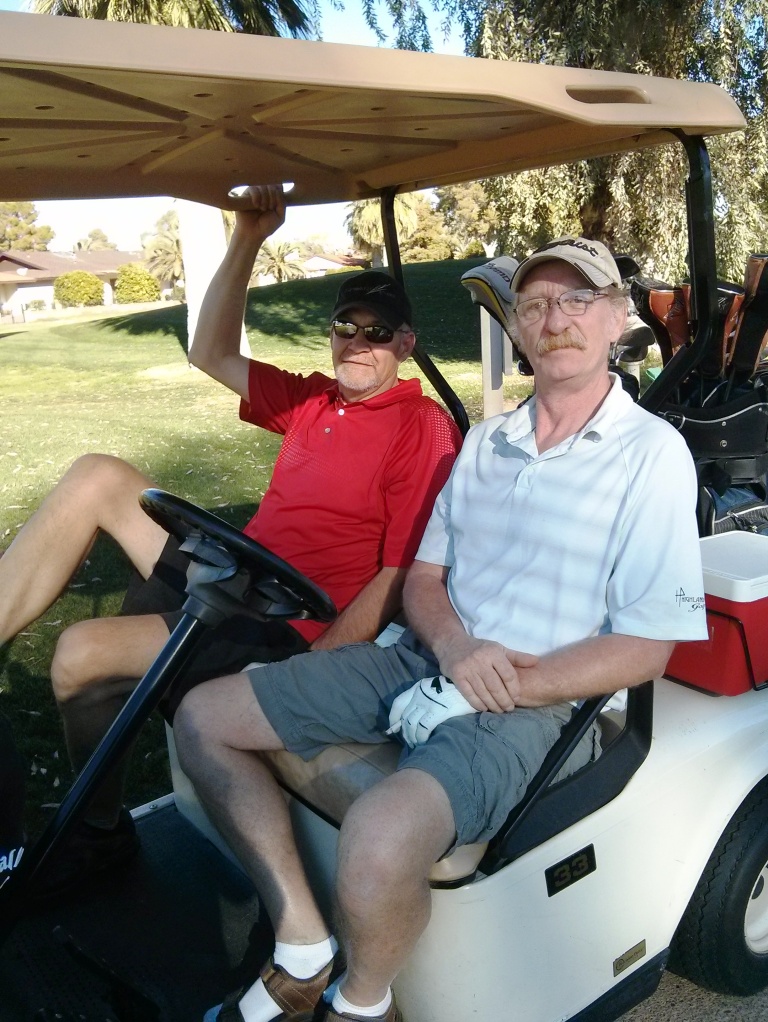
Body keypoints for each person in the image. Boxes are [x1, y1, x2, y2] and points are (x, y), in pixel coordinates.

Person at [174, 235, 709, 1022]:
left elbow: (646, 648)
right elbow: (424, 579)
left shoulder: (652, 456)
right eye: (535, 304)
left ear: (616, 317)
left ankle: (363, 1004)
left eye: (578, 299)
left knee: (378, 835)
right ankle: (302, 945)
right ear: (517, 328)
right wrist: (456, 649)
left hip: (541, 703)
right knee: (204, 717)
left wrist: (502, 681)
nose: (555, 318)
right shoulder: (489, 441)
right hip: (429, 656)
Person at [0, 184, 461, 898]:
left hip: (284, 626)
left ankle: (98, 833)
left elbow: (398, 575)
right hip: (234, 575)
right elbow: (209, 350)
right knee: (97, 475)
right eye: (346, 325)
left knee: (80, 655)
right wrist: (249, 234)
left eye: (378, 332)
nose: (358, 342)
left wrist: (313, 672)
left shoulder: (420, 427)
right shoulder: (313, 399)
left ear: (406, 344)